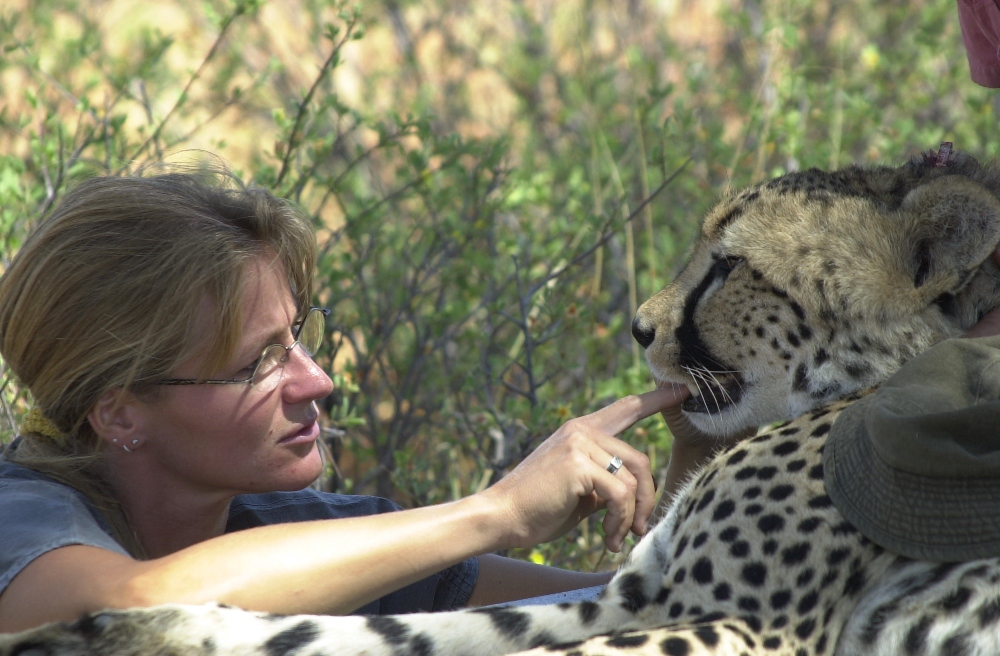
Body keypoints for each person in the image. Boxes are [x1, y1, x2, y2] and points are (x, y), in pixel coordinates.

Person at [0, 171, 677, 634]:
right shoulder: (21, 520)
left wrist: (699, 501)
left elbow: (605, 610)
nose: (316, 381)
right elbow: (135, 609)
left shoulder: (298, 523)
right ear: (118, 412)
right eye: (254, 365)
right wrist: (495, 512)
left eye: (296, 337)